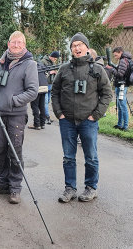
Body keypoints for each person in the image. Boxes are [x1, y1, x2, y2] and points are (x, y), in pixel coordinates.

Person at [52, 32, 112, 203]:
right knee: (68, 157)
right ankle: (69, 188)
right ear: (71, 49)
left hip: (88, 121)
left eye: (79, 45)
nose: (77, 48)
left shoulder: (97, 70)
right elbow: (54, 92)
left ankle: (91, 188)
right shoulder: (64, 69)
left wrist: (96, 115)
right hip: (67, 121)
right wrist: (59, 114)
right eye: (73, 46)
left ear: (86, 47)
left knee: (91, 157)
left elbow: (107, 94)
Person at [0, 31, 38, 204]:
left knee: (15, 152)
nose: (16, 45)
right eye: (13, 42)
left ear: (24, 45)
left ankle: (15, 187)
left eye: (19, 42)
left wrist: (12, 101)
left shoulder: (29, 64)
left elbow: (32, 91)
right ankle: (3, 183)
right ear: (8, 44)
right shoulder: (1, 63)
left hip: (16, 115)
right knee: (0, 150)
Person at [106, 47, 132, 131]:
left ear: (120, 52)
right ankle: (120, 124)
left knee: (123, 105)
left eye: (116, 55)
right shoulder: (126, 60)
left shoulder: (123, 60)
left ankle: (125, 126)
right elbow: (121, 70)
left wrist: (111, 69)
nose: (115, 56)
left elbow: (120, 74)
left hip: (122, 85)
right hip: (123, 85)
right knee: (120, 105)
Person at [28, 61, 48, 130]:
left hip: (37, 88)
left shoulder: (31, 67)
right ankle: (42, 123)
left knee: (34, 106)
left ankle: (36, 124)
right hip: (45, 87)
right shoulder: (41, 65)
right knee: (42, 106)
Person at [41, 51, 59, 124]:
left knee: (47, 101)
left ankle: (44, 116)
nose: (55, 60)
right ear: (52, 56)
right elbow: (40, 73)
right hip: (45, 84)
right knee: (45, 102)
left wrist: (55, 72)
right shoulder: (43, 61)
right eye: (55, 58)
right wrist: (49, 73)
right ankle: (46, 117)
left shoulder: (53, 62)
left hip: (51, 85)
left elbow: (56, 73)